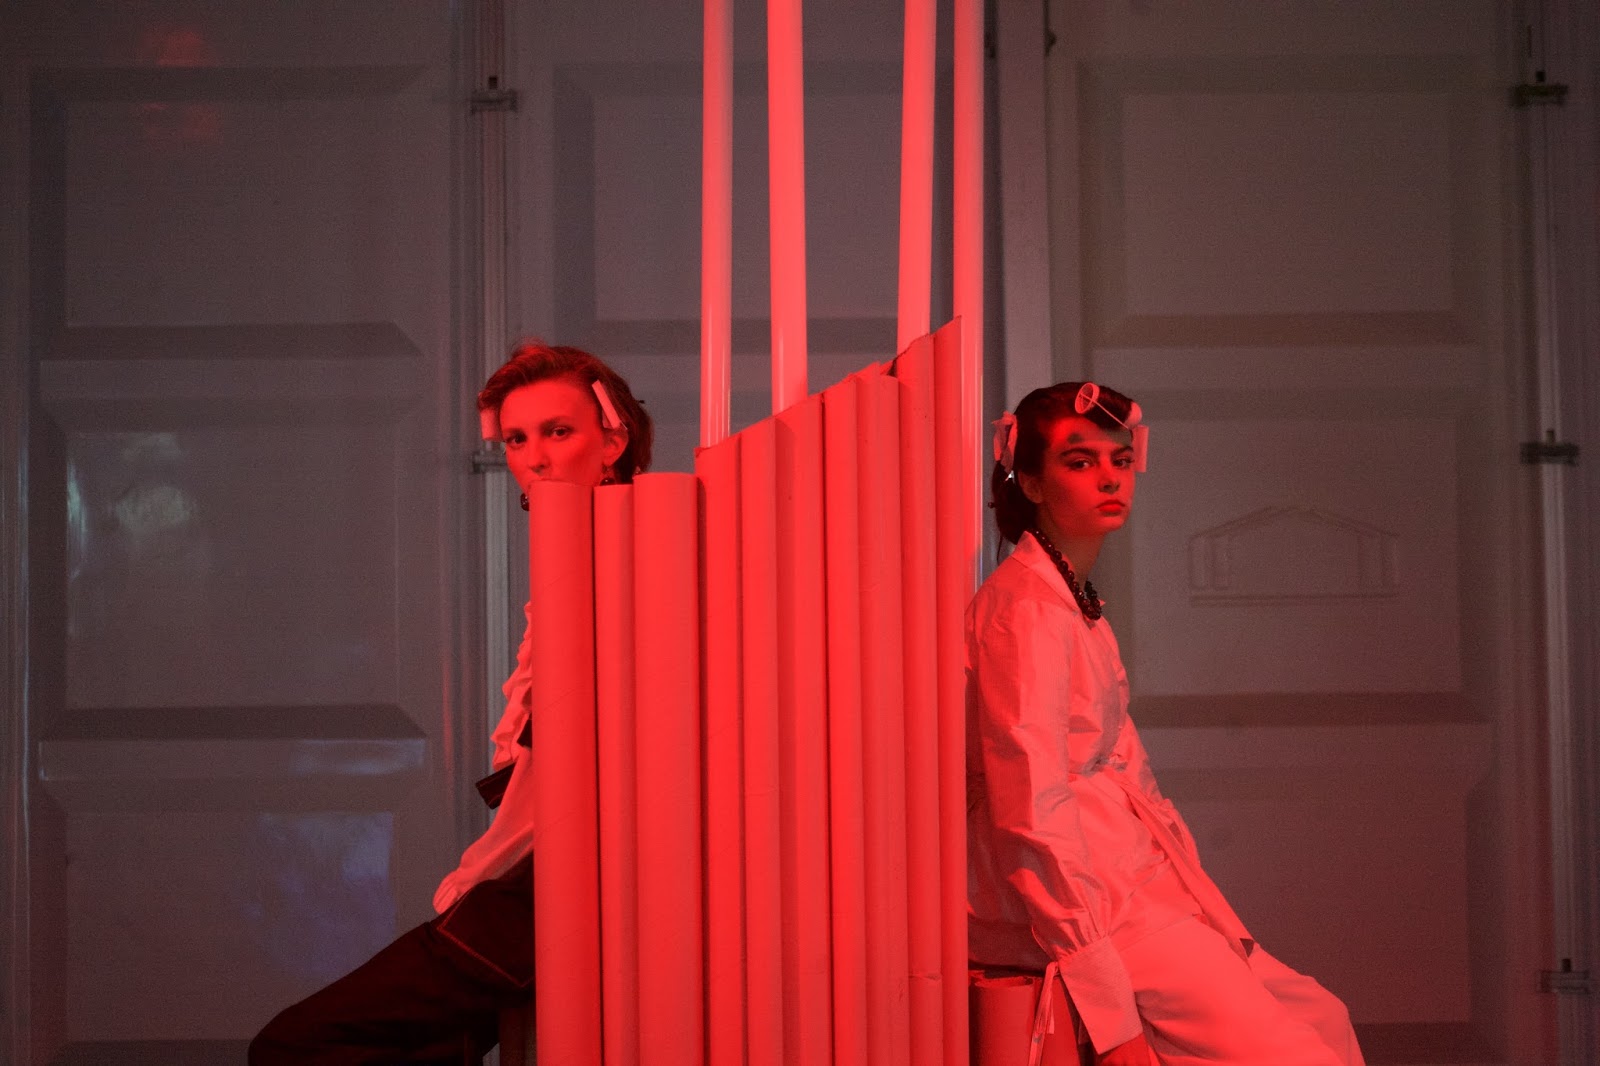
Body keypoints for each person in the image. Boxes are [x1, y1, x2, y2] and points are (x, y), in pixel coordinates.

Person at [250, 342, 653, 1065]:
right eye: (517, 440)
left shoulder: (632, 560)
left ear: (612, 440)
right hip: (544, 894)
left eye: (558, 431)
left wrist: (475, 881)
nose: (534, 459)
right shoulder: (578, 563)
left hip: (563, 896)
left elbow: (565, 787)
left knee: (293, 1047)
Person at [965, 381, 1364, 1066]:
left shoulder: (1071, 597)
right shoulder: (1026, 611)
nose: (1110, 477)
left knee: (1322, 1017)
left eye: (1120, 460)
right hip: (1091, 899)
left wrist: (1192, 895)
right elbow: (1032, 809)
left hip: (1136, 879)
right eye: (1080, 461)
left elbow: (1127, 768)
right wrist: (1108, 1007)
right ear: (1030, 481)